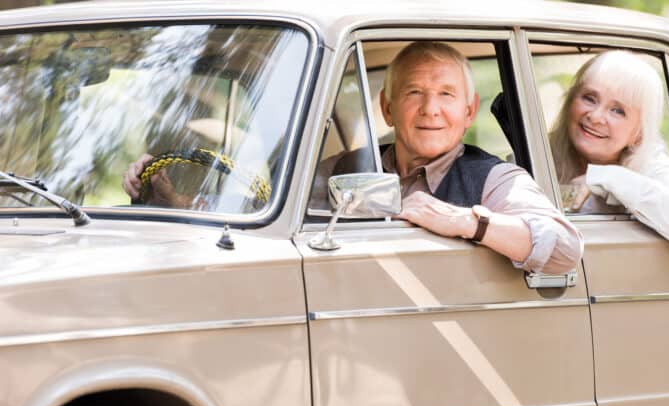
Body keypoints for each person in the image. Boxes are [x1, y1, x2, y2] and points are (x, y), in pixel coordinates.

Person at [125, 42, 583, 274]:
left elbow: (564, 249)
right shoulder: (336, 170)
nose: (430, 109)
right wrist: (169, 201)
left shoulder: (493, 179)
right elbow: (259, 228)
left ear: (468, 111)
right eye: (414, 93)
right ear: (386, 107)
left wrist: (467, 222)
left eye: (446, 95)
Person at [549, 50, 669, 249]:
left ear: (640, 133)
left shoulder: (651, 164)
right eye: (589, 98)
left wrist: (605, 178)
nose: (595, 116)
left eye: (617, 110)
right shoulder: (537, 153)